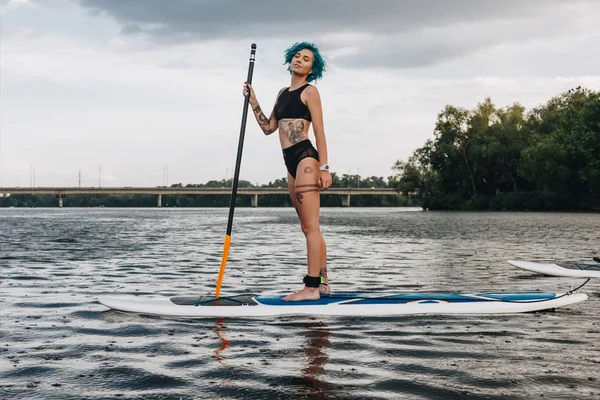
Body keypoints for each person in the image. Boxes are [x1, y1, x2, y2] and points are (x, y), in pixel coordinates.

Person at [242, 42, 332, 301]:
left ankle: (312, 287)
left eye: (306, 59)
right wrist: (253, 101)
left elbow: (320, 131)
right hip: (289, 162)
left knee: (310, 226)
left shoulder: (310, 92)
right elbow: (268, 128)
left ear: (312, 69)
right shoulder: (282, 93)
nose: (299, 60)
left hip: (305, 157)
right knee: (308, 227)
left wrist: (324, 167)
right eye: (296, 56)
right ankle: (324, 283)